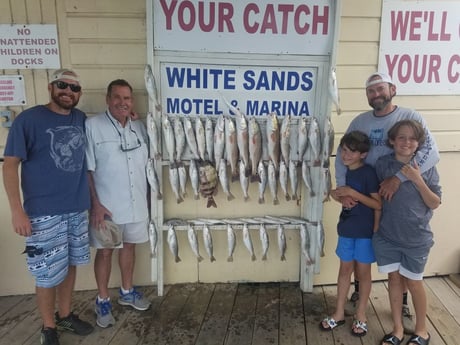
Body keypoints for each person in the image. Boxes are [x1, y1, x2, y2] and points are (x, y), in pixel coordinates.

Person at [334, 72, 440, 331]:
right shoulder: (360, 121)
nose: (376, 94)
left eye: (380, 89)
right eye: (370, 91)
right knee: (366, 249)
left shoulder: (411, 117)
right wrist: (342, 189)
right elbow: (342, 152)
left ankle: (402, 302)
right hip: (366, 196)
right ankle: (360, 294)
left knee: (398, 251)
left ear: (392, 88)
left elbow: (431, 153)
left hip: (399, 197)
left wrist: (398, 179)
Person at [3, 69, 94, 345]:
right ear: (50, 87)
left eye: (74, 88)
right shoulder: (28, 120)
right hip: (43, 213)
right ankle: (48, 326)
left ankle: (65, 314)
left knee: (69, 266)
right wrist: (16, 211)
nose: (68, 91)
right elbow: (9, 165)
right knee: (46, 272)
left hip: (77, 209)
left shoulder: (81, 119)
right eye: (62, 85)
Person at [85, 79, 151, 328]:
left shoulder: (139, 127)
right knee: (105, 252)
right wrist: (96, 205)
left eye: (127, 98)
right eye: (117, 97)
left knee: (130, 247)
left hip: (136, 205)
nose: (122, 103)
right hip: (107, 207)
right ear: (107, 99)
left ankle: (127, 291)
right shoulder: (93, 126)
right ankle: (102, 300)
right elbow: (87, 169)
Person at [374, 119, 441, 345]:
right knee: (394, 280)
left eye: (412, 138)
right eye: (401, 137)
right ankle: (398, 329)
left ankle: (422, 330)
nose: (407, 142)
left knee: (414, 282)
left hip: (416, 239)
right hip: (387, 236)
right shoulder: (383, 164)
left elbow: (434, 202)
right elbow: (376, 196)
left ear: (419, 143)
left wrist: (417, 179)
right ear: (392, 141)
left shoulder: (427, 167)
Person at [320, 131, 381, 337]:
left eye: (352, 152)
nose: (346, 155)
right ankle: (338, 312)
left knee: (363, 274)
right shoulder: (344, 172)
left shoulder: (369, 173)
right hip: (346, 229)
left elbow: (377, 203)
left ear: (363, 155)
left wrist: (354, 194)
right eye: (344, 150)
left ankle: (361, 314)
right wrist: (336, 194)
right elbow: (337, 193)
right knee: (344, 271)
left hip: (364, 233)